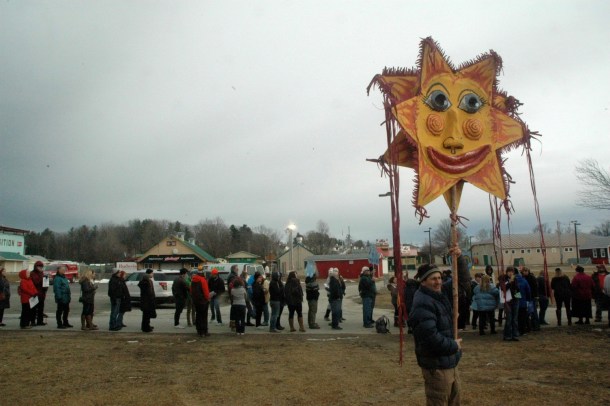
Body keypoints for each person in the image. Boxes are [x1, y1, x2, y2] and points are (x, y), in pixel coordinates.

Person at [408, 263, 462, 405]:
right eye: (433, 279)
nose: (438, 282)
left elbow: (462, 280)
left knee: (454, 401)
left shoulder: (436, 296)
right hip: (437, 367)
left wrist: (460, 257)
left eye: (439, 278)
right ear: (424, 281)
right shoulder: (422, 303)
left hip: (449, 362)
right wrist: (453, 345)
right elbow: (430, 339)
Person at [191, 268, 211, 337]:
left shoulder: (193, 280)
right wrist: (208, 298)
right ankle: (204, 331)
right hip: (203, 301)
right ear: (203, 273)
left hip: (196, 301)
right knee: (204, 316)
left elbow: (191, 290)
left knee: (198, 315)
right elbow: (206, 291)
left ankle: (199, 331)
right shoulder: (203, 280)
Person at [502, 267, 520, 342]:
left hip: (515, 300)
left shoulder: (515, 279)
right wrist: (509, 282)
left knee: (515, 319)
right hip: (508, 301)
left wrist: (518, 298)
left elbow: (517, 289)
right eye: (509, 271)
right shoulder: (504, 279)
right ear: (506, 272)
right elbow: (504, 289)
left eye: (511, 272)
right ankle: (507, 335)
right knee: (509, 319)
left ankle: (515, 335)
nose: (510, 273)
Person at [520, 267, 539, 332]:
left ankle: (536, 326)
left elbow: (535, 287)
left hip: (532, 297)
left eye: (526, 271)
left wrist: (536, 296)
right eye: (524, 271)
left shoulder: (532, 278)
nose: (525, 272)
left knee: (533, 312)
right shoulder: (522, 278)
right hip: (526, 298)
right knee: (527, 313)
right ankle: (529, 326)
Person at [30, 260, 48, 326]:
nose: (40, 268)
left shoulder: (42, 273)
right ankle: (32, 321)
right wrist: (42, 278)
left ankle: (40, 321)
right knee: (33, 309)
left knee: (41, 308)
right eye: (39, 266)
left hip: (41, 293)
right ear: (36, 266)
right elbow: (35, 282)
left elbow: (44, 284)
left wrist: (46, 284)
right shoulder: (32, 273)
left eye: (41, 266)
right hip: (35, 293)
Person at [138, 269, 156, 333]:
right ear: (148, 275)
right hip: (146, 302)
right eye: (152, 273)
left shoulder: (149, 281)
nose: (152, 274)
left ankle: (147, 326)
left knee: (147, 315)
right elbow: (148, 293)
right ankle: (145, 328)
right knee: (146, 315)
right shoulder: (145, 283)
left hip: (148, 301)